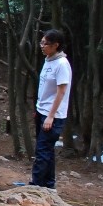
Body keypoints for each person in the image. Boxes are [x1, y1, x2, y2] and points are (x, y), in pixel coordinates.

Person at [30, 29, 72, 189]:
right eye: (41, 42)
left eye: (45, 43)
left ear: (56, 45)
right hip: (42, 111)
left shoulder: (62, 64)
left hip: (53, 115)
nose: (42, 46)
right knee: (47, 151)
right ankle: (48, 185)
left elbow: (61, 91)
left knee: (42, 151)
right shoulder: (49, 60)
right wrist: (39, 108)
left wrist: (50, 116)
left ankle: (35, 186)